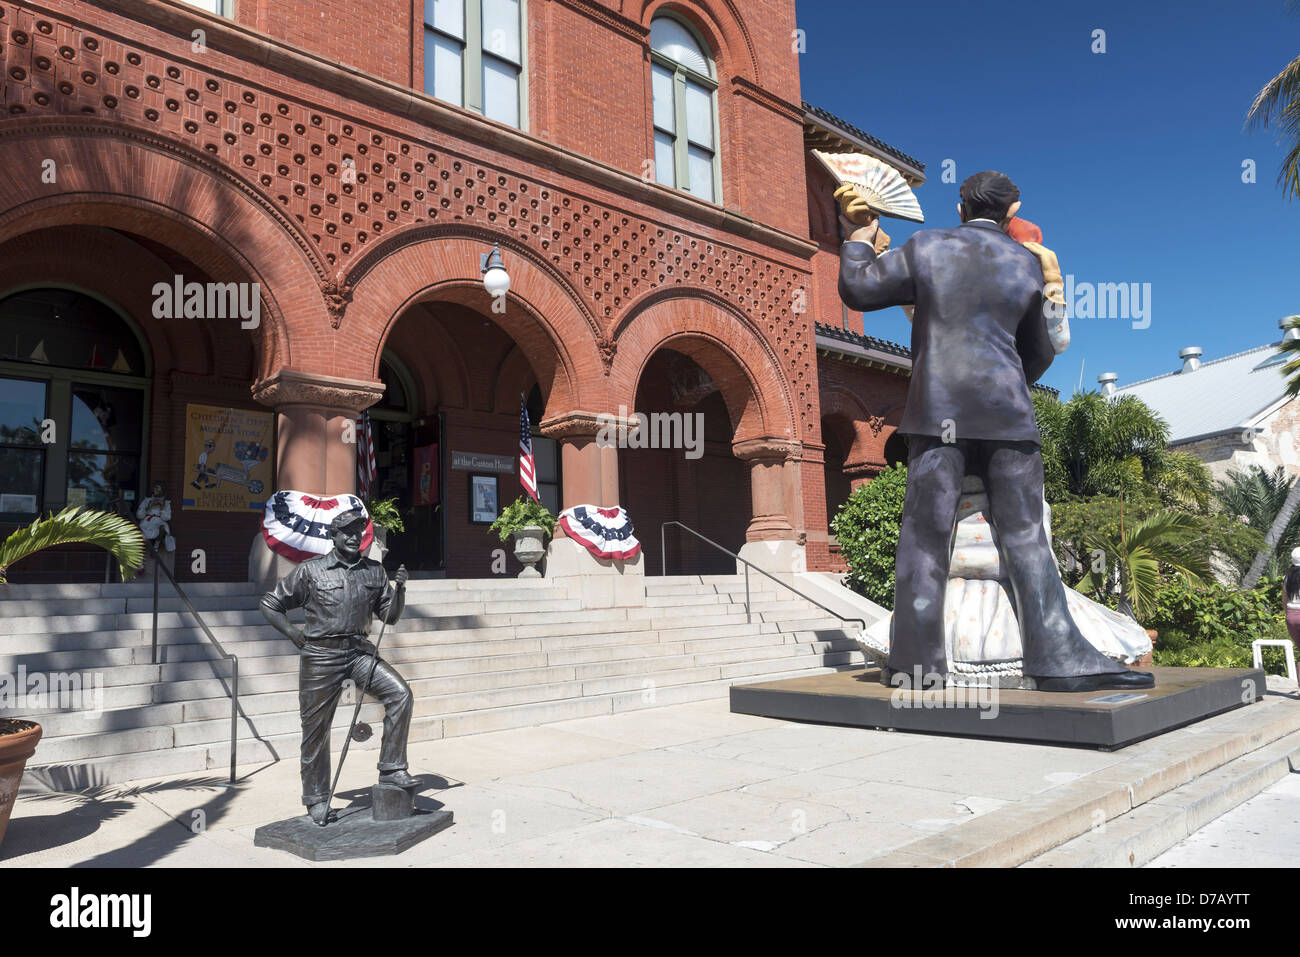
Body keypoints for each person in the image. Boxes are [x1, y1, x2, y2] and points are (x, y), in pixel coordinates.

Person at [837, 170, 1153, 693]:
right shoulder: (1025, 264)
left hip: (938, 412)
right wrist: (1005, 377)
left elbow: (859, 289)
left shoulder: (926, 246)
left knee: (925, 535)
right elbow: (1040, 352)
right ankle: (1056, 657)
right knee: (1026, 536)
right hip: (1007, 412)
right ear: (1014, 210)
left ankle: (917, 665)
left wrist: (858, 237)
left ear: (960, 209)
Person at [259, 507, 416, 824]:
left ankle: (392, 769)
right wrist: (293, 634)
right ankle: (316, 799)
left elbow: (391, 617)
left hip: (359, 653)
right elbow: (270, 604)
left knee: (400, 694)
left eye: (358, 531)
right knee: (316, 730)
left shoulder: (373, 571)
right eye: (346, 531)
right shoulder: (311, 571)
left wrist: (400, 590)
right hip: (321, 656)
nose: (354, 537)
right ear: (333, 536)